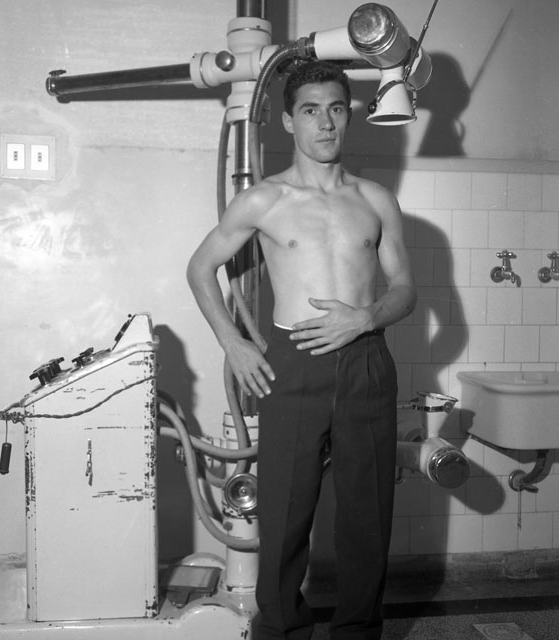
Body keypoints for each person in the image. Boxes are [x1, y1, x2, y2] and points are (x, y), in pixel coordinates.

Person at [186, 60, 416, 640]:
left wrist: (365, 317)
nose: (325, 123)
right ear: (289, 121)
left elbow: (405, 290)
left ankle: (358, 630)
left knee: (367, 514)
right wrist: (234, 342)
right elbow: (200, 267)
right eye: (311, 111)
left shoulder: (376, 199)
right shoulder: (265, 200)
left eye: (336, 108)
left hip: (366, 360)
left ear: (349, 115)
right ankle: (283, 629)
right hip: (292, 362)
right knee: (285, 511)